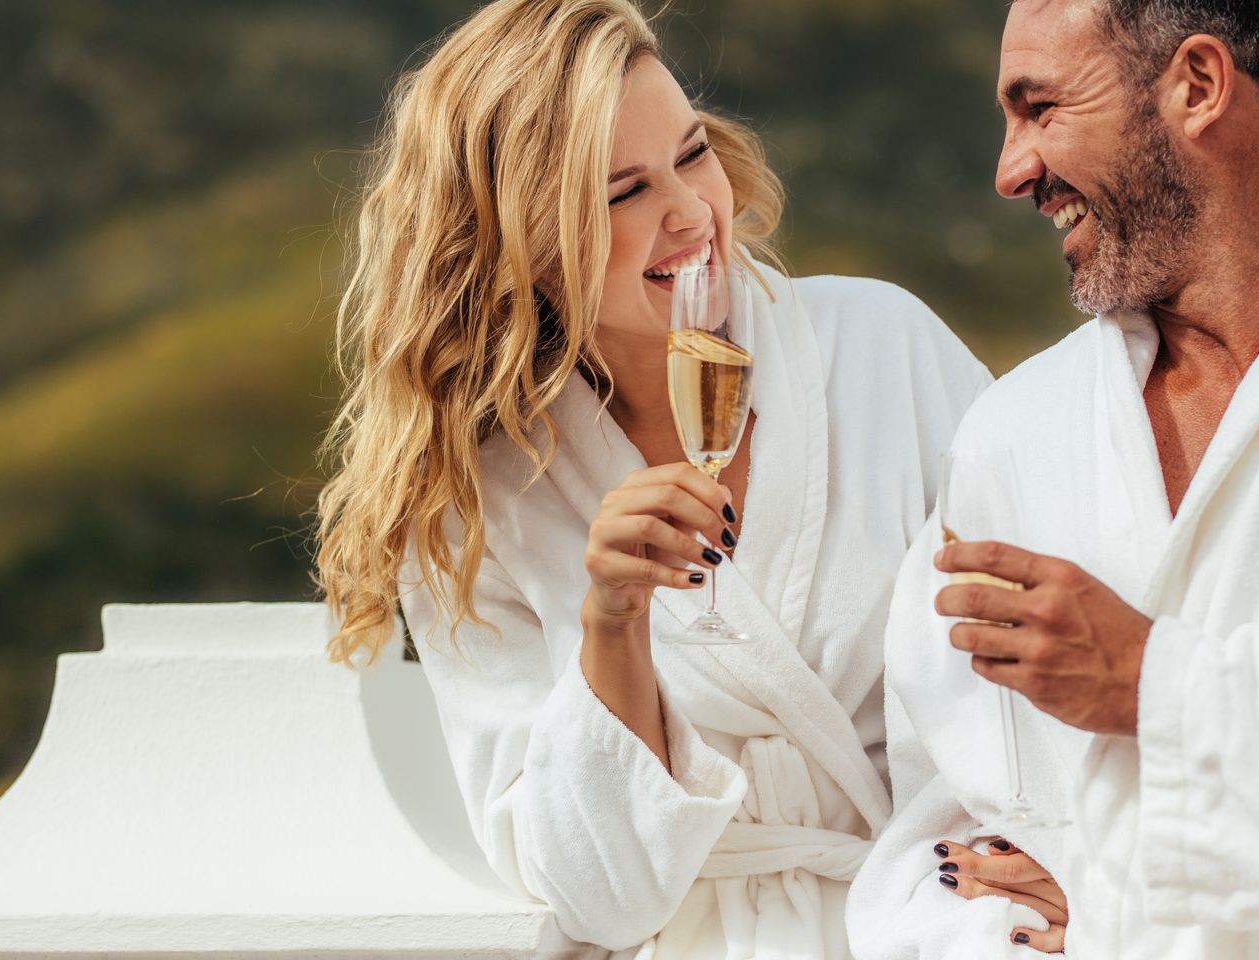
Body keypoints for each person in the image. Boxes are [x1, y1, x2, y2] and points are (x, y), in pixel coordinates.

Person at [315, 0, 990, 955]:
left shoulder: (886, 348)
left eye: (692, 153)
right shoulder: (480, 505)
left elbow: (1042, 648)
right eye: (623, 191)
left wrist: (1055, 846)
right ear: (522, 244)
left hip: (934, 922)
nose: (691, 212)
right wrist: (613, 621)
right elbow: (597, 893)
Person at [846, 0, 1259, 956]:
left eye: (1041, 109)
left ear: (1198, 85)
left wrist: (1150, 682)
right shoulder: (1016, 436)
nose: (1010, 172)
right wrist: (1008, 927)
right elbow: (935, 843)